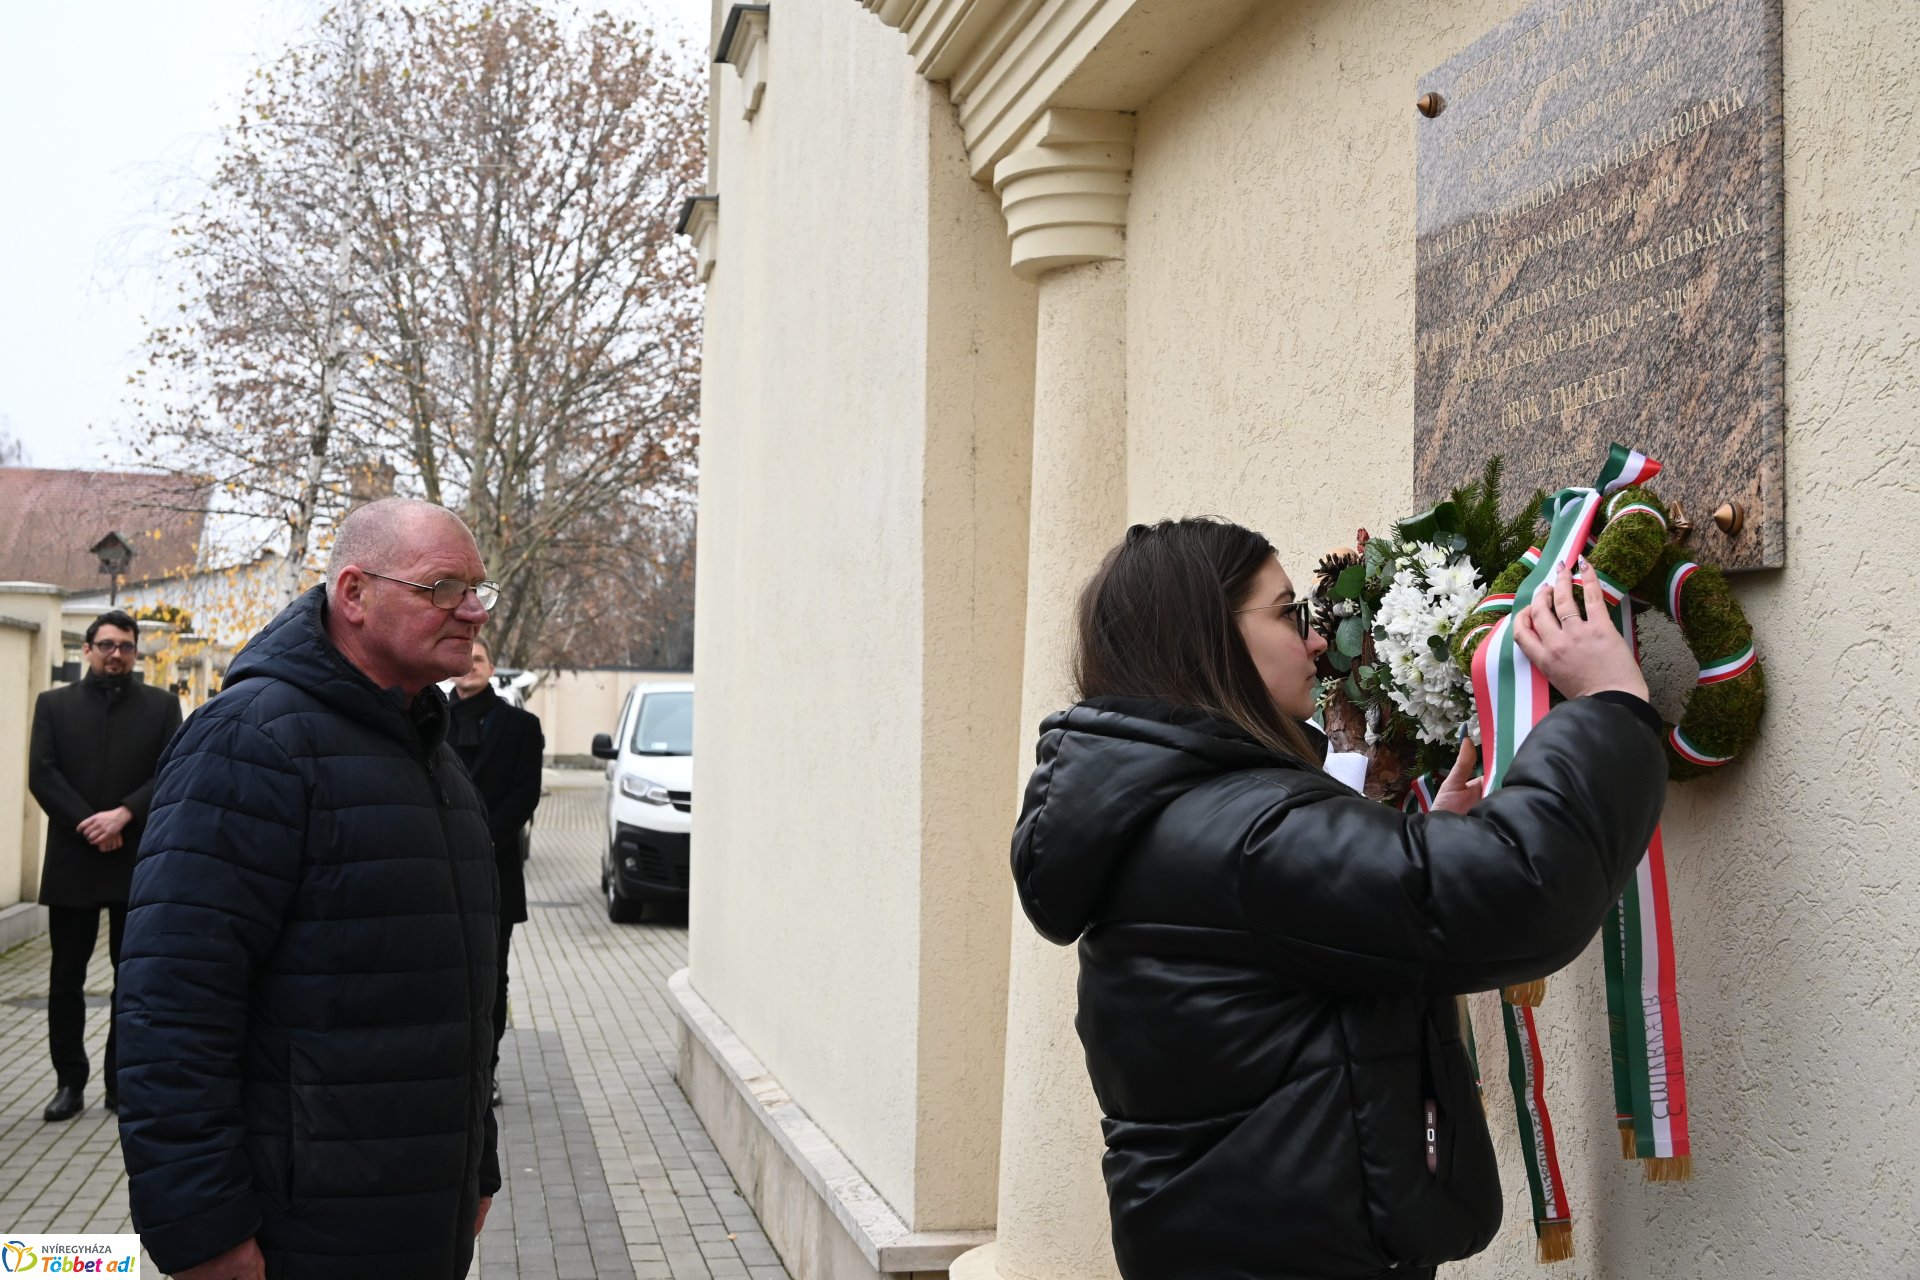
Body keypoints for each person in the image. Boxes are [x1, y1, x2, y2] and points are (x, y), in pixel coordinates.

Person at [1009, 518, 1667, 1280]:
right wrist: (1610, 707)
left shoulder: (1176, 818)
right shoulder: (1240, 831)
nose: (1319, 641)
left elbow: (1305, 966)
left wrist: (1425, 844)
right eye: (1288, 614)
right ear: (1206, 640)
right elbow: (1518, 889)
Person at [116, 498, 504, 1280]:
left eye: (477, 588)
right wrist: (204, 1230)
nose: (471, 610)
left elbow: (459, 999)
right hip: (299, 1230)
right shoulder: (251, 742)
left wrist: (476, 1167)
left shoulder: (434, 754)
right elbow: (173, 1007)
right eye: (442, 588)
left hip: (419, 1215)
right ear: (354, 594)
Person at [26, 609, 182, 1122]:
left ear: (137, 653)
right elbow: (42, 776)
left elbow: (172, 770)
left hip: (136, 859)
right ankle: (69, 1082)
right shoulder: (54, 705)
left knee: (132, 980)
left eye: (127, 647)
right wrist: (89, 823)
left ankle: (122, 1084)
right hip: (74, 859)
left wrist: (123, 814)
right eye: (108, 645)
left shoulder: (161, 706)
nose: (117, 654)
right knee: (65, 979)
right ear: (88, 649)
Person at [447, 636, 544, 1107]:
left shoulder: (521, 726)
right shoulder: (427, 719)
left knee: (492, 978)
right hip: (436, 872)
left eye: (479, 658)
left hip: (494, 871)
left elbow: (525, 793)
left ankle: (487, 1072)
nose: (471, 665)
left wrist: (483, 839)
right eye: (465, 657)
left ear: (491, 667)